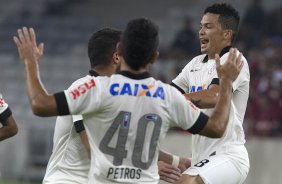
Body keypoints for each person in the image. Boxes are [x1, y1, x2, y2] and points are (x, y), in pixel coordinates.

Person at [14, 18, 242, 183]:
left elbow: (124, 142)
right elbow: (93, 147)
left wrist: (173, 161)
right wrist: (226, 82)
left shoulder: (105, 91)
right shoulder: (90, 87)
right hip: (68, 179)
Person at [171, 3, 250, 184]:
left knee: (185, 182)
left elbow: (214, 96)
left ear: (226, 34)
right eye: (200, 27)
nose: (201, 32)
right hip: (202, 159)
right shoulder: (195, 64)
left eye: (208, 26)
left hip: (228, 155)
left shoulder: (234, 60)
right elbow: (168, 93)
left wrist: (171, 101)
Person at [42, 28, 122, 184]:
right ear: (117, 57)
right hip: (65, 180)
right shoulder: (84, 88)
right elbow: (92, 150)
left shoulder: (113, 96)